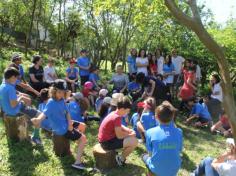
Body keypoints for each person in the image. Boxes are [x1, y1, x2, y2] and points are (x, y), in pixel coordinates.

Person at [31, 79, 87, 170]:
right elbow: (44, 114)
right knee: (83, 138)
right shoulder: (51, 103)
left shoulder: (61, 100)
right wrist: (38, 119)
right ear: (54, 91)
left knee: (83, 126)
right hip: (62, 129)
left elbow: (67, 113)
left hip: (66, 124)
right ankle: (77, 162)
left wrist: (69, 123)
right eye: (59, 92)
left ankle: (78, 147)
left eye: (63, 92)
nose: (61, 94)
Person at [142, 101, 182, 176]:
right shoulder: (179, 131)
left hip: (157, 169)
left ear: (156, 117)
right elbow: (179, 150)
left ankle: (150, 174)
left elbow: (150, 154)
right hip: (174, 169)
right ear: (173, 117)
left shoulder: (150, 132)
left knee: (144, 156)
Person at [98, 96, 138, 166]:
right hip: (106, 143)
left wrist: (128, 130)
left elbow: (119, 126)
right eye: (127, 111)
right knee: (134, 141)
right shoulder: (117, 117)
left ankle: (120, 155)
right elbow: (119, 136)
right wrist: (130, 135)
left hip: (105, 140)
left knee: (130, 139)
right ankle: (120, 159)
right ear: (122, 109)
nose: (128, 112)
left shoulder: (114, 113)